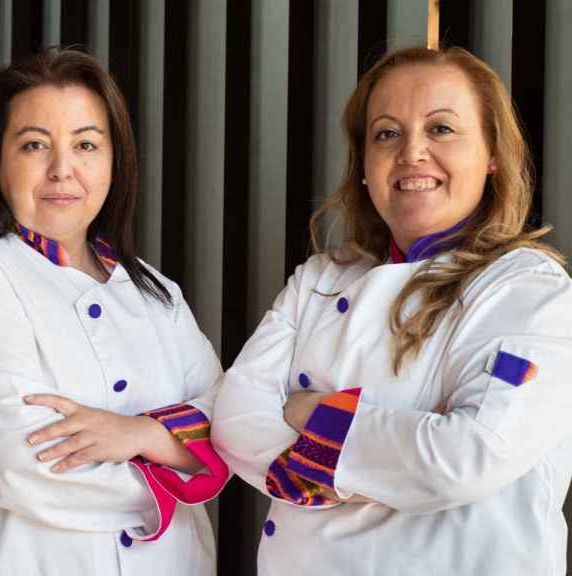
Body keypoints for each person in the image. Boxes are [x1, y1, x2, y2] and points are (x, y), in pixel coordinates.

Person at [213, 46, 572, 575]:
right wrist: (387, 462)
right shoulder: (321, 278)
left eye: (441, 129)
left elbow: (466, 458)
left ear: (492, 153)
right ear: (363, 165)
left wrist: (312, 413)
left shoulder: (529, 291)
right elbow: (236, 421)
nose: (412, 153)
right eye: (386, 133)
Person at [0, 47, 229, 575]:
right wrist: (183, 461)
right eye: (34, 146)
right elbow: (24, 465)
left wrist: (142, 436)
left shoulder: (157, 294)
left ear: (115, 161)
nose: (62, 170)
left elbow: (231, 428)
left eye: (86, 145)